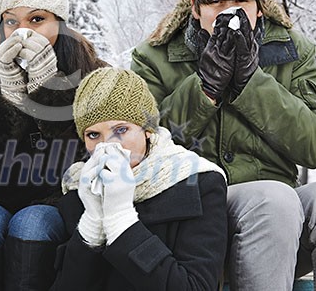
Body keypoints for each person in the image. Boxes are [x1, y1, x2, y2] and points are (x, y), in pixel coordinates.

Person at [131, 0, 316, 290]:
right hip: (194, 210)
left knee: (296, 200)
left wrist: (253, 83)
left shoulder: (293, 50)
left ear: (260, 8)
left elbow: (315, 146)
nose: (229, 14)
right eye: (216, 5)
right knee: (274, 200)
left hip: (279, 219)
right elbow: (141, 144)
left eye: (241, 3)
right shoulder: (153, 57)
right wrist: (204, 87)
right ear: (195, 8)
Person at [0, 0, 107, 290]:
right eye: (11, 21)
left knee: (32, 223)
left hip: (61, 200)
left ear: (59, 22)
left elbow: (87, 152)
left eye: (37, 19)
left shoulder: (93, 74)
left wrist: (47, 91)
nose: (22, 32)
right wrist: (7, 97)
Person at [51, 67, 227, 290]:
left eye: (121, 129)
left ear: (147, 129)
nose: (108, 145)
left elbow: (196, 286)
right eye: (93, 135)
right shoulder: (80, 189)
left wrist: (121, 220)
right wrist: (92, 224)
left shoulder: (199, 181)